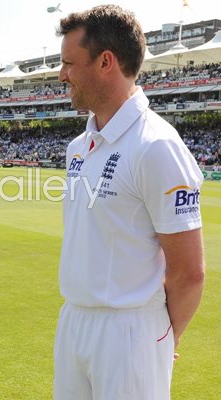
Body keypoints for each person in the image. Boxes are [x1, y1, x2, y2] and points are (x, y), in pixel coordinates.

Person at [54, 5, 205, 399]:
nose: (61, 74)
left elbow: (189, 272)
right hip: (73, 320)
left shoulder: (156, 146)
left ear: (106, 62)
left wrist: (159, 338)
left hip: (131, 331)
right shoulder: (77, 147)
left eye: (69, 63)